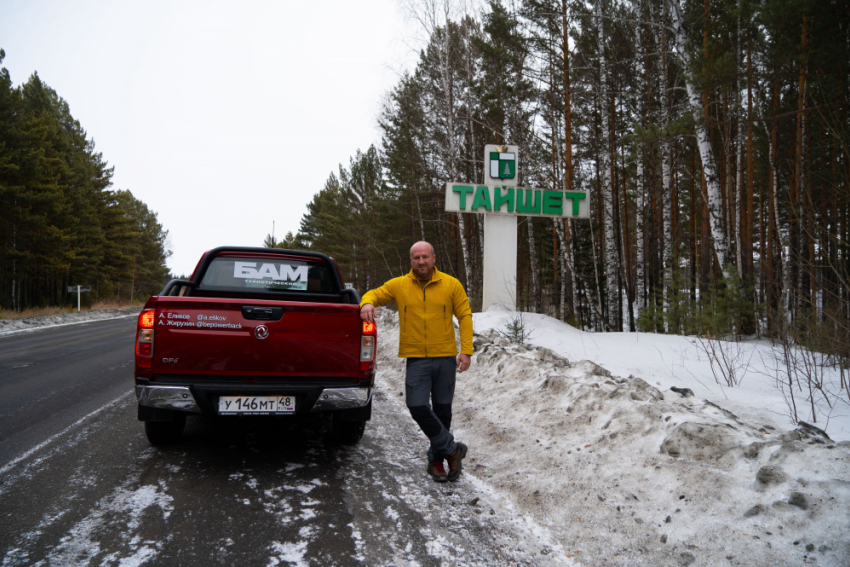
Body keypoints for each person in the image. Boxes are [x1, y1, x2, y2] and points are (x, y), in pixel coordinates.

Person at [360, 241, 473, 482]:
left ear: (433, 258)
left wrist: (466, 350)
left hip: (445, 358)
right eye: (416, 257)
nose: (421, 261)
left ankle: (436, 461)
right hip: (417, 359)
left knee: (443, 410)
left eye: (425, 257)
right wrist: (367, 302)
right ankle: (453, 450)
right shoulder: (399, 285)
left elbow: (464, 315)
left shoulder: (451, 284)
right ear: (411, 260)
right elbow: (374, 294)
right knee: (417, 405)